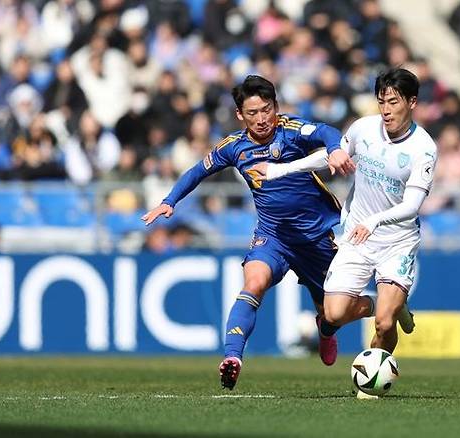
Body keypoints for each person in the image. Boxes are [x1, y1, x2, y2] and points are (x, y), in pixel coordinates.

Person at [141, 75, 368, 390]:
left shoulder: (291, 131)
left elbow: (328, 131)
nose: (262, 119)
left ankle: (326, 330)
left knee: (332, 313)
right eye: (253, 113)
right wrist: (169, 201)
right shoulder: (234, 147)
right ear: (239, 115)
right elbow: (197, 171)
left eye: (267, 109)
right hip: (272, 236)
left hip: (315, 239)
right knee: (254, 282)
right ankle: (232, 357)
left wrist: (334, 149)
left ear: (275, 106)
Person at [252, 69, 437, 394]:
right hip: (356, 236)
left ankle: (371, 383)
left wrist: (376, 221)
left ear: (412, 102)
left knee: (383, 323)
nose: (386, 110)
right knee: (334, 314)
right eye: (381, 102)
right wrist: (280, 170)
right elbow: (329, 155)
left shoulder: (424, 148)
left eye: (393, 102)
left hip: (396, 241)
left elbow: (412, 205)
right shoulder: (364, 129)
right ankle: (386, 304)